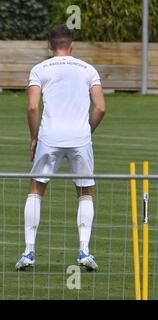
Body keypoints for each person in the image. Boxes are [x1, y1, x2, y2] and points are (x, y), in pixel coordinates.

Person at [15, 25, 106, 272]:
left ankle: (29, 252)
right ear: (72, 45)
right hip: (79, 138)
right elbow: (100, 108)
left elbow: (33, 107)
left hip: (50, 136)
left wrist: (34, 138)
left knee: (36, 188)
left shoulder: (39, 69)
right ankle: (85, 252)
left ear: (49, 45)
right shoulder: (88, 69)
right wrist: (86, 130)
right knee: (84, 190)